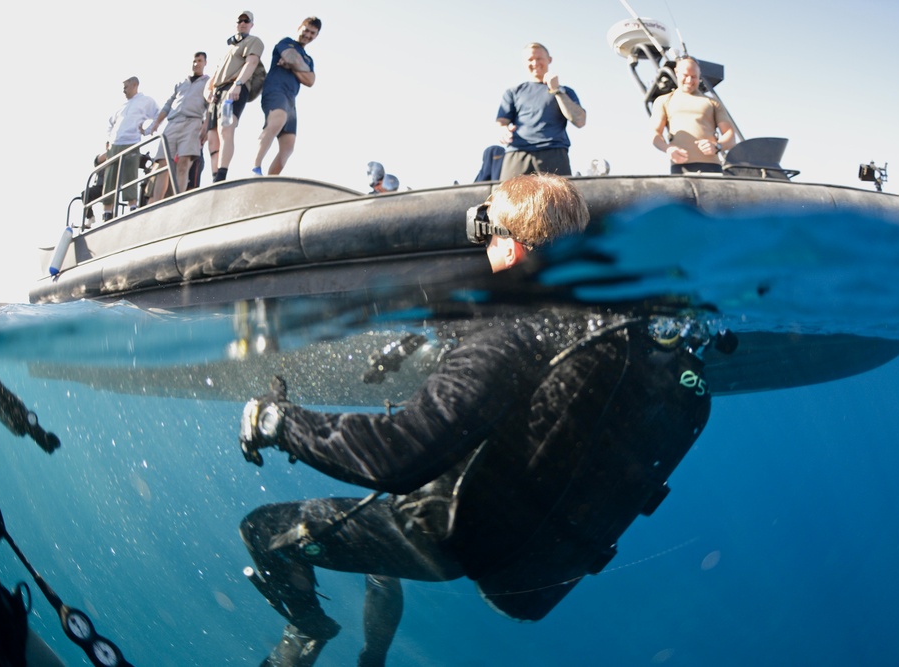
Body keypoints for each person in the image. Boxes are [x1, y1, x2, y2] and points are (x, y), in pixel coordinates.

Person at [237, 174, 714, 667]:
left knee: (260, 530)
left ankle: (310, 628)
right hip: (524, 547)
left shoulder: (517, 328)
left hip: (444, 531)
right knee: (378, 553)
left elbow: (398, 455)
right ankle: (372, 656)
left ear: (510, 245)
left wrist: (278, 422)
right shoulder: (616, 334)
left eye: (488, 235)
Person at [495, 43, 586, 181]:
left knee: (560, 200)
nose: (535, 63)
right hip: (517, 152)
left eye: (539, 58)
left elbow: (580, 121)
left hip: (553, 152)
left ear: (549, 59)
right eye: (530, 59)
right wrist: (503, 130)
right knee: (506, 199)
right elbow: (502, 122)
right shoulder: (513, 92)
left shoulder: (566, 91)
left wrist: (556, 90)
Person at [252, 17, 320, 176]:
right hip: (275, 90)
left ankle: (270, 180)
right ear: (299, 27)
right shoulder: (286, 42)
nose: (308, 35)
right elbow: (291, 57)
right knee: (277, 120)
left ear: (316, 36)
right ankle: (255, 167)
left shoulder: (308, 59)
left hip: (291, 99)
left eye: (312, 33)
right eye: (306, 30)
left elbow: (311, 80)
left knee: (288, 145)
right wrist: (297, 66)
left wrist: (292, 66)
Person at [204, 10, 264, 182]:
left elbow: (251, 63)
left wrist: (238, 84)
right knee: (212, 137)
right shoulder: (228, 49)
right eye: (240, 21)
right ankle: (214, 176)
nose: (243, 23)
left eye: (246, 21)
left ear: (251, 24)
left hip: (234, 88)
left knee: (226, 128)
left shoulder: (254, 41)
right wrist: (208, 92)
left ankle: (221, 175)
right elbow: (214, 76)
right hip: (217, 92)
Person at [650, 56, 736, 174]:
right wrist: (668, 149)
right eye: (685, 75)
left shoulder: (713, 103)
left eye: (694, 77)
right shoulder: (664, 101)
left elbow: (730, 136)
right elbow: (655, 134)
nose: (689, 81)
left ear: (699, 75)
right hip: (681, 168)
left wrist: (717, 146)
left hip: (712, 168)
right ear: (677, 72)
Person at [147, 52, 210, 204]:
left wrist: (206, 127)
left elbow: (211, 105)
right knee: (163, 164)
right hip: (173, 123)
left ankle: (177, 201)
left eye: (199, 61)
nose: (196, 64)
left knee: (183, 162)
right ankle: (156, 203)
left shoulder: (208, 82)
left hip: (193, 122)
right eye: (194, 61)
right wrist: (156, 123)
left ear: (205, 63)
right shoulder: (181, 82)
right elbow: (168, 104)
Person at [101, 77, 158, 221]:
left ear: (134, 85)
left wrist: (147, 130)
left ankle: (131, 208)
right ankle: (107, 212)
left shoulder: (146, 101)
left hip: (131, 142)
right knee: (110, 178)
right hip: (115, 143)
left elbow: (159, 115)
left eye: (126, 87)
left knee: (130, 176)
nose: (123, 90)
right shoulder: (121, 105)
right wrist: (108, 140)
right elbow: (110, 123)